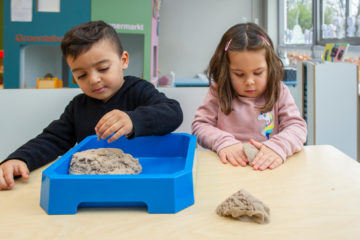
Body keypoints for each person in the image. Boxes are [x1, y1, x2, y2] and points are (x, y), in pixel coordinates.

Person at [0, 20, 183, 190]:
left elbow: (173, 112)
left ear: (123, 60)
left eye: (103, 69)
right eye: (82, 75)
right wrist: (19, 158)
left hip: (146, 180)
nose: (94, 80)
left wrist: (132, 119)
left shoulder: (138, 90)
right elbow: (52, 140)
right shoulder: (78, 106)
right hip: (93, 187)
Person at [192, 23, 307, 171]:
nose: (249, 81)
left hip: (269, 169)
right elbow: (200, 126)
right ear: (226, 70)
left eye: (258, 73)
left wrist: (278, 146)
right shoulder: (218, 92)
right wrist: (224, 142)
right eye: (239, 74)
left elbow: (297, 127)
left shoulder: (279, 91)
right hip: (228, 168)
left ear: (270, 67)